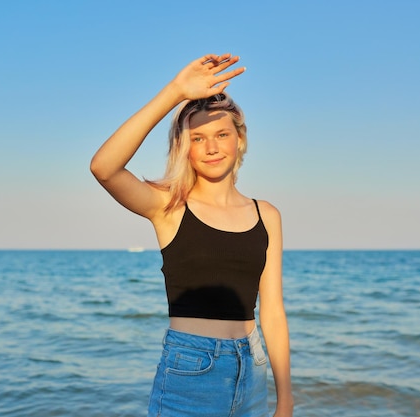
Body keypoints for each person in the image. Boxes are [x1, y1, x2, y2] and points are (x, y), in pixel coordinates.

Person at [90, 53, 293, 417]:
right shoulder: (168, 207)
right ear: (185, 148)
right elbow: (104, 168)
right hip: (190, 370)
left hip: (254, 369)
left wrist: (286, 399)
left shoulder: (267, 215)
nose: (212, 147)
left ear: (240, 140)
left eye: (221, 134)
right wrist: (175, 92)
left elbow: (273, 312)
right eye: (197, 138)